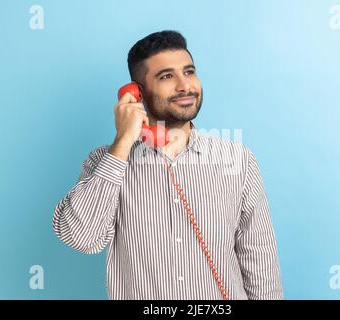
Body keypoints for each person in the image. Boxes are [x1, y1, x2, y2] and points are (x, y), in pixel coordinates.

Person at [53, 30, 283, 300]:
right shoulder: (104, 163)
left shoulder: (238, 160)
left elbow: (260, 263)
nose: (185, 86)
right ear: (137, 93)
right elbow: (81, 237)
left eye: (189, 72)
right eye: (167, 76)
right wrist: (123, 142)